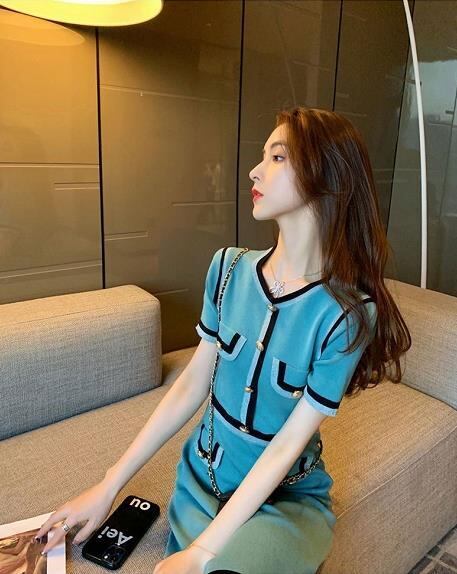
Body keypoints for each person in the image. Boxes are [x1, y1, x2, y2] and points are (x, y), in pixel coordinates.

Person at [34, 106, 411, 574]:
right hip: (203, 481)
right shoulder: (228, 268)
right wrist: (109, 485)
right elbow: (191, 385)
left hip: (286, 498)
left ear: (326, 177)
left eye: (277, 157)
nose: (254, 170)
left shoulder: (346, 315)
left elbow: (288, 444)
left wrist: (203, 552)